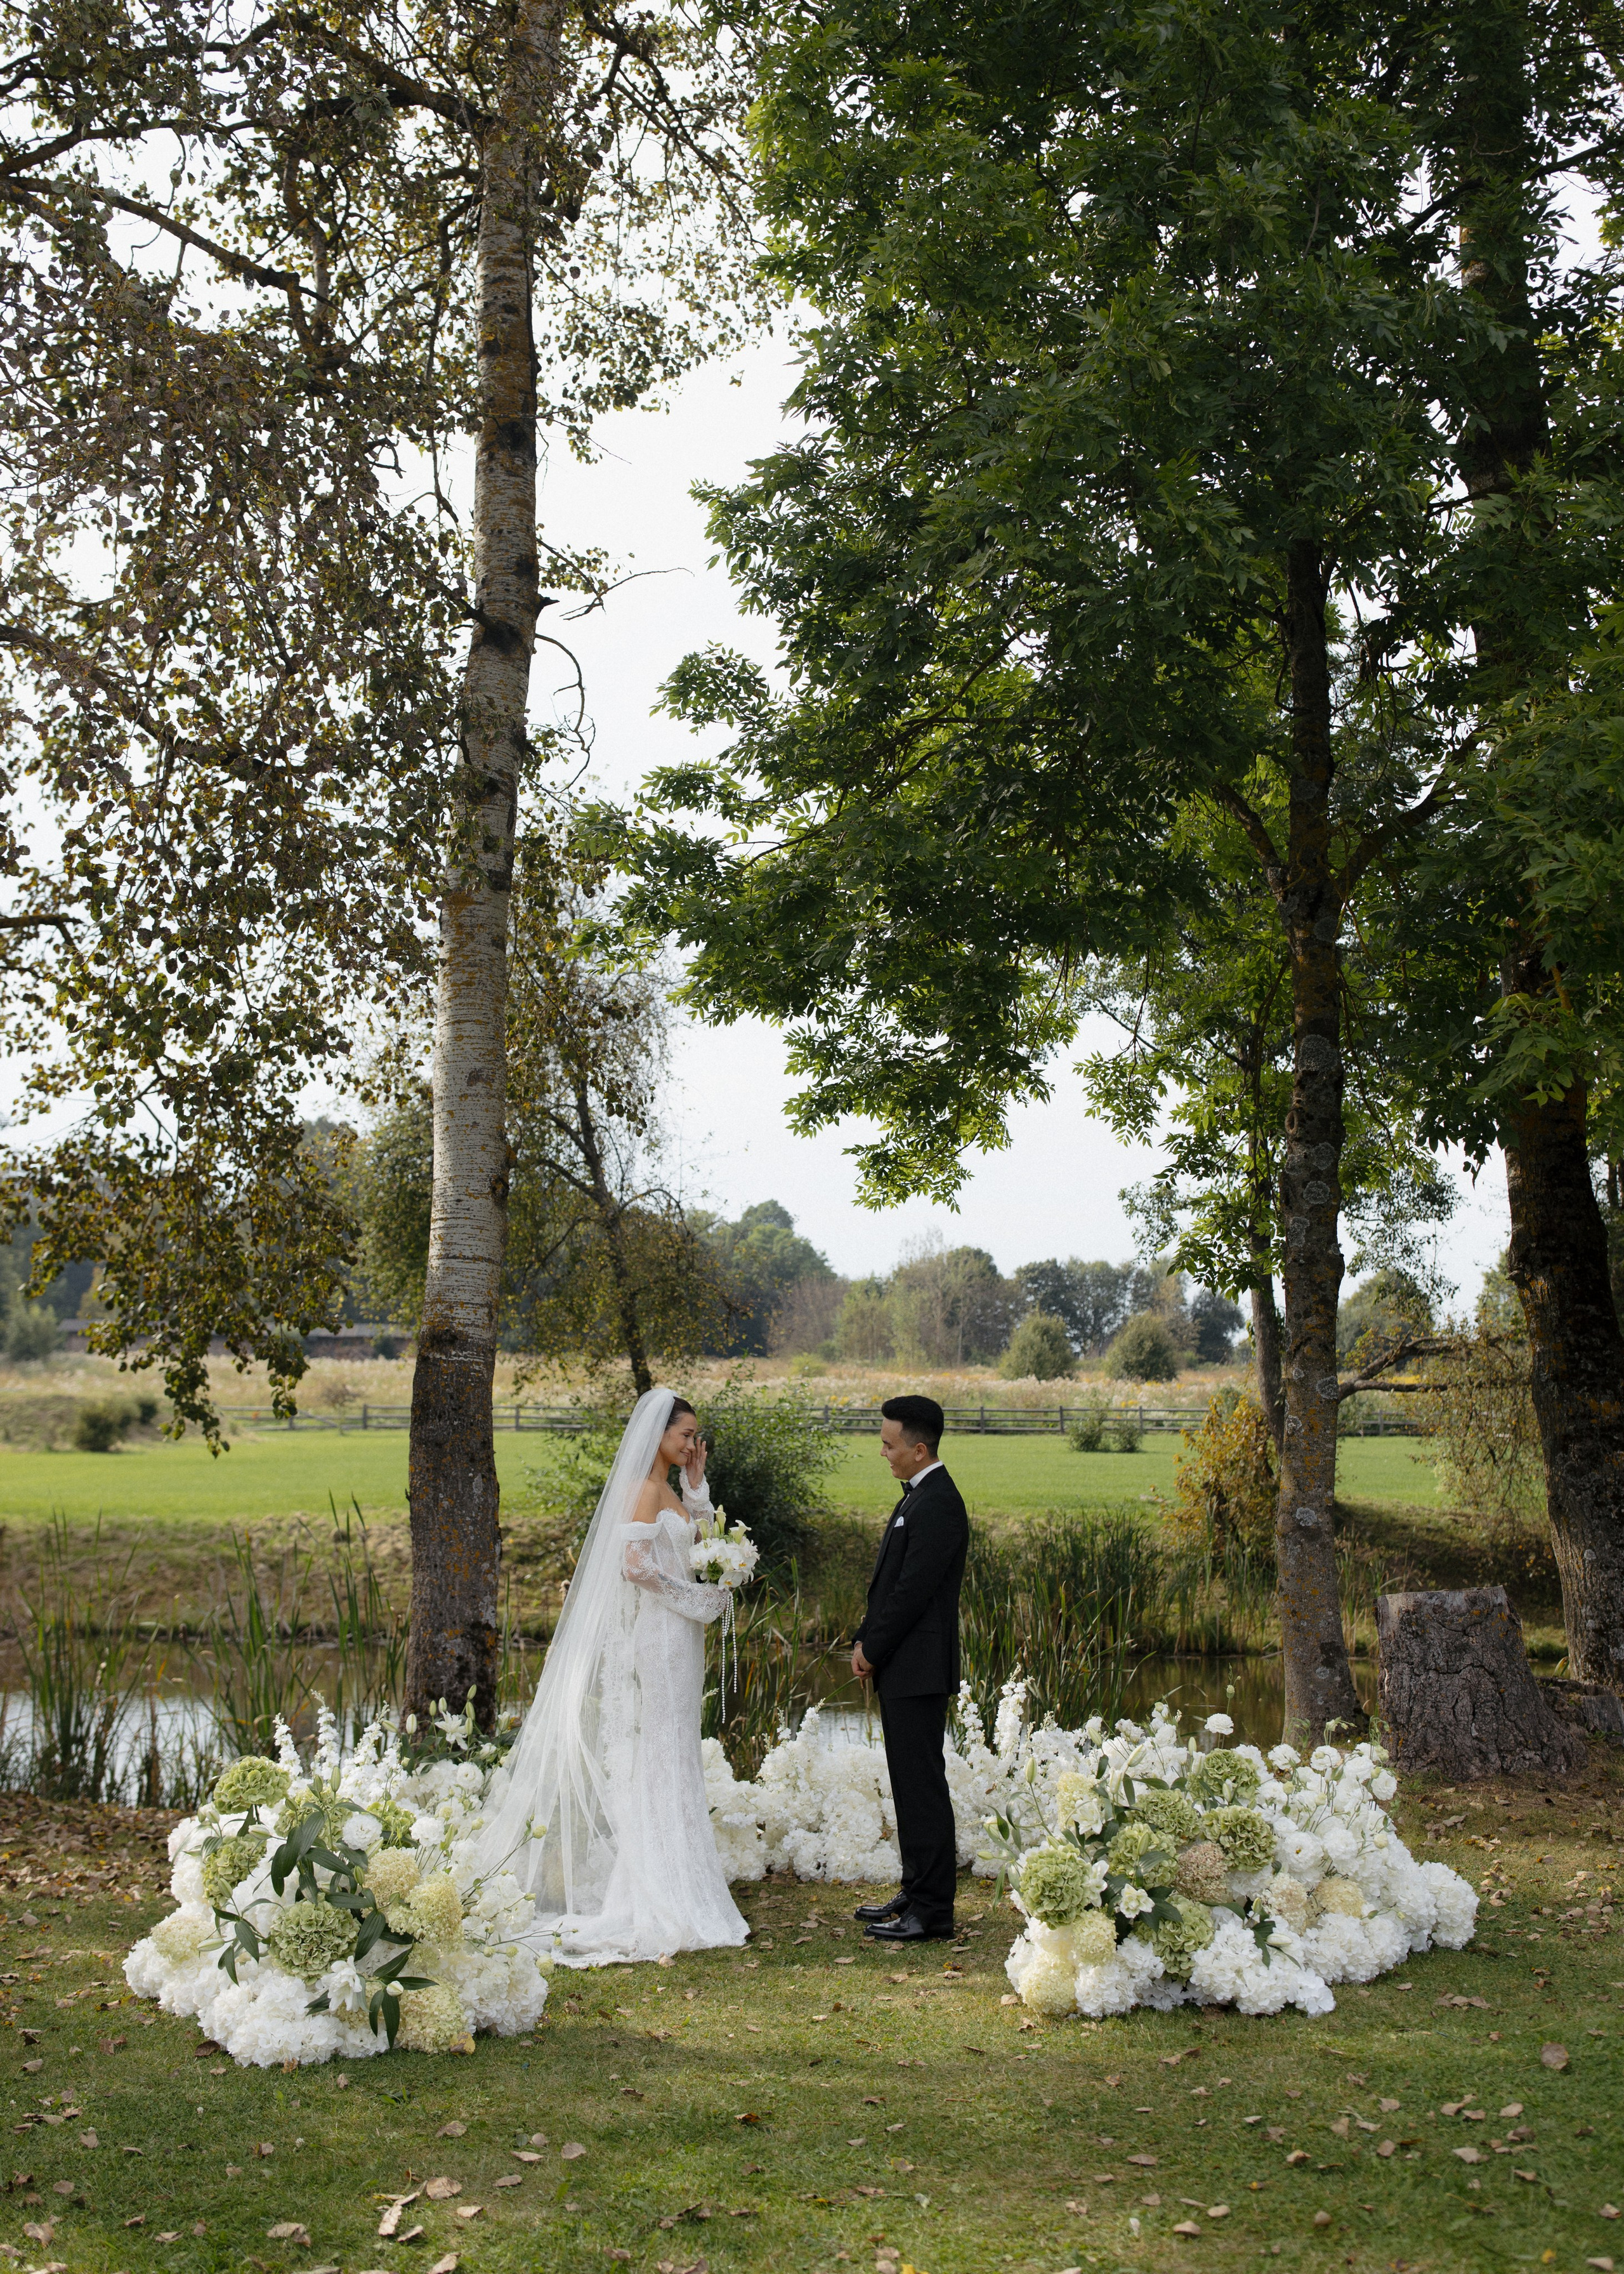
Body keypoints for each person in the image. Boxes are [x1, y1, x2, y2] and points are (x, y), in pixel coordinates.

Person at [472, 1386, 749, 1965]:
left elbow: (702, 1540)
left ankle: (679, 1877)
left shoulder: (670, 1487)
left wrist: (698, 1488)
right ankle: (655, 1890)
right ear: (657, 1436)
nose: (693, 1443)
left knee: (674, 1751)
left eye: (695, 1436)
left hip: (680, 1635)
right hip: (662, 1632)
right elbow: (634, 1567)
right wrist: (694, 1602)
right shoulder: (641, 1489)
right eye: (685, 1435)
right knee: (663, 1751)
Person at [849, 1393, 969, 1943]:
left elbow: (913, 1592)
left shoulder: (939, 1502)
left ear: (919, 1450)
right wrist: (864, 1636)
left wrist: (873, 1648)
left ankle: (933, 1912)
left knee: (922, 1786)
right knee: (909, 1783)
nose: (884, 1453)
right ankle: (915, 1889)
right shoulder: (918, 1496)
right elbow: (888, 1585)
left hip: (919, 1666)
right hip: (904, 1664)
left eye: (889, 1444)